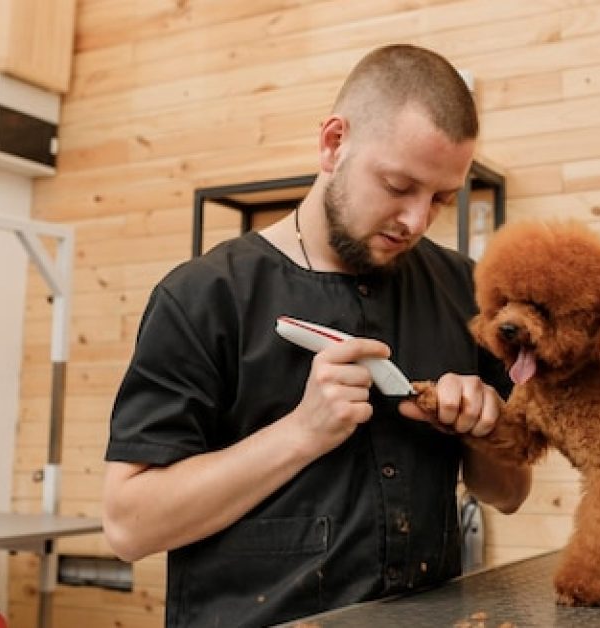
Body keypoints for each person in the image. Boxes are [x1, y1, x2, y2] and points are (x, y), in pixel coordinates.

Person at [102, 43, 532, 627]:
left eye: (440, 198)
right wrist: (301, 434)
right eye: (398, 185)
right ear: (334, 143)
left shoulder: (464, 290)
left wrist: (485, 432)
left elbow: (509, 493)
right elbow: (129, 525)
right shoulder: (205, 297)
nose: (416, 220)